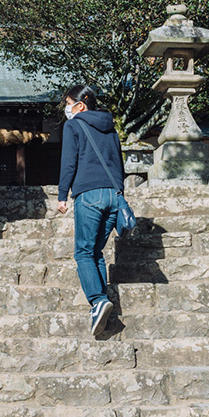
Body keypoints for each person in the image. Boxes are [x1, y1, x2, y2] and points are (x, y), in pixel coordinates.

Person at [56, 84, 123, 336]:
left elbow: (68, 162)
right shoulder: (111, 128)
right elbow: (118, 162)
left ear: (80, 105)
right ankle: (102, 300)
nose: (66, 108)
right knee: (96, 251)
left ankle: (97, 300)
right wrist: (120, 196)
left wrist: (63, 195)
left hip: (89, 194)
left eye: (68, 103)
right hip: (113, 195)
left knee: (83, 252)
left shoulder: (73, 125)